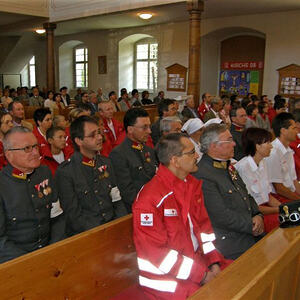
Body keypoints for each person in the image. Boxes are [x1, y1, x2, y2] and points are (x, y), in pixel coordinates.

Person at [133, 133, 226, 300]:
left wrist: (214, 262)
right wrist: (202, 275)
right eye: (191, 152)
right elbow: (157, 255)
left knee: (244, 274)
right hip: (165, 280)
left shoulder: (190, 184)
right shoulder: (150, 198)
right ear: (175, 160)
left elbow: (204, 230)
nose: (197, 155)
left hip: (195, 265)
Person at [193, 123, 264, 260]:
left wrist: (257, 214)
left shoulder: (227, 166)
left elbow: (246, 195)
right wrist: (252, 225)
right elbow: (221, 216)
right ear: (214, 146)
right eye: (229, 140)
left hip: (248, 232)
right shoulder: (203, 174)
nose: (234, 144)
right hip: (231, 242)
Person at [0, 127, 64, 263]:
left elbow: (58, 216)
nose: (35, 152)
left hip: (51, 251)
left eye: (35, 146)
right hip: (17, 261)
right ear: (9, 154)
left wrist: (55, 248)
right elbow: (1, 241)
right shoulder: (3, 185)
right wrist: (31, 261)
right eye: (27, 148)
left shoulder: (44, 172)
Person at [55, 116, 127, 237]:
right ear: (79, 141)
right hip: (89, 233)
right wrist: (101, 233)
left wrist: (121, 223)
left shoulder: (105, 162)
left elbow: (116, 198)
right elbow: (74, 216)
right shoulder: (66, 172)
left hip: (112, 225)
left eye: (99, 133)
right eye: (93, 135)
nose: (99, 137)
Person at [109, 108, 158, 212]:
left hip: (155, 203)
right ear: (130, 129)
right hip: (137, 209)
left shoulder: (148, 150)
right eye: (144, 127)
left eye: (149, 126)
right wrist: (149, 207)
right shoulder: (119, 154)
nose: (149, 131)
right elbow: (127, 192)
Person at [235, 128, 281, 232]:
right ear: (257, 146)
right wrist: (278, 210)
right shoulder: (243, 168)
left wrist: (285, 207)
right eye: (267, 142)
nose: (271, 146)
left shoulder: (262, 162)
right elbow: (251, 206)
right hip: (257, 214)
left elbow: (268, 196)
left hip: (267, 208)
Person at [265, 112, 300, 201]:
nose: (297, 131)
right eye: (294, 128)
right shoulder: (273, 152)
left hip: (291, 194)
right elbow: (279, 188)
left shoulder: (288, 150)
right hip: (280, 198)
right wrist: (298, 200)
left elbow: (294, 180)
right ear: (283, 131)